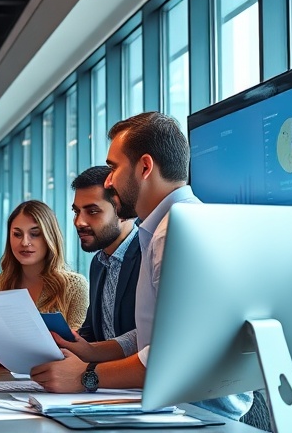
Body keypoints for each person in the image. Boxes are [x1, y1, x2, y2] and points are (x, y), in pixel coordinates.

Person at [30, 112, 252, 421]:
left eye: (113, 167)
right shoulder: (170, 226)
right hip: (180, 408)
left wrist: (86, 375)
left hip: (195, 414)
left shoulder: (175, 232)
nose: (109, 180)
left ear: (145, 167)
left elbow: (173, 357)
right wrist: (94, 352)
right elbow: (161, 334)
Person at [0, 200, 89, 328]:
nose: (24, 242)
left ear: (50, 237)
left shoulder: (75, 286)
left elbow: (79, 342)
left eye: (35, 234)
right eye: (17, 234)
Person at [71, 166, 140, 344]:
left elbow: (148, 340)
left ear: (122, 212)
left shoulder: (148, 253)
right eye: (76, 211)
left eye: (92, 211)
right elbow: (93, 331)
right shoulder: (98, 263)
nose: (79, 222)